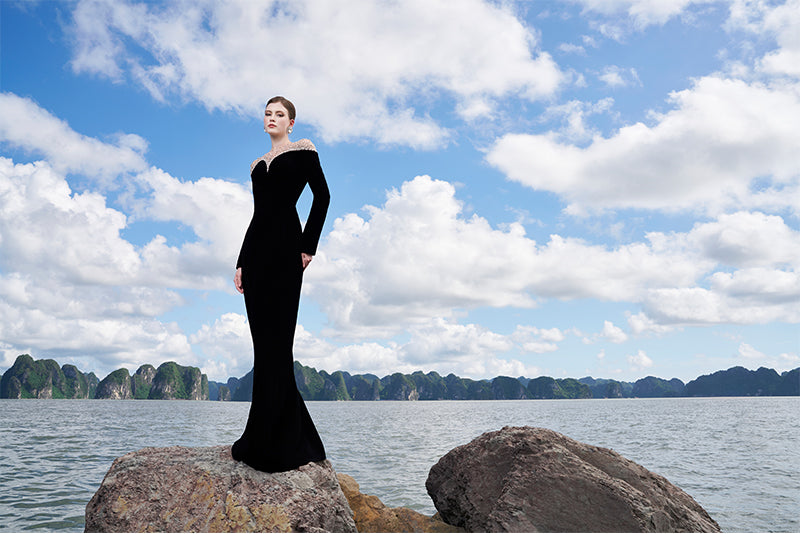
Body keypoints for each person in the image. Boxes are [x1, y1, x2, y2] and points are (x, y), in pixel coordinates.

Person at [231, 96, 330, 472]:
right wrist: (241, 262)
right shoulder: (256, 165)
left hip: (287, 253)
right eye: (268, 114)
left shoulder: (304, 151)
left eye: (280, 114)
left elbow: (322, 197)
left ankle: (288, 442)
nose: (272, 118)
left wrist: (308, 246)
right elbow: (258, 216)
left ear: (291, 123)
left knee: (279, 344)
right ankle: (259, 438)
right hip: (256, 258)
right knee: (262, 347)